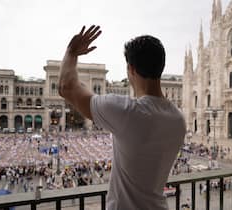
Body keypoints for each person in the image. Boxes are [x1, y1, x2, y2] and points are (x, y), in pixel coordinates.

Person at [58, 25, 186, 209]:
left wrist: (71, 52)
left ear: (131, 69)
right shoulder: (178, 119)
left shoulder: (127, 112)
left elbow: (66, 87)